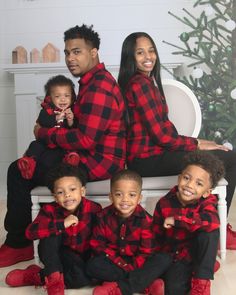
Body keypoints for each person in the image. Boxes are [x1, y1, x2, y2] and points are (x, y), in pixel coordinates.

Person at [0, 24, 126, 268]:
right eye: (67, 52)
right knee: (29, 165)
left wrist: (44, 133)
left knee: (17, 171)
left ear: (94, 52)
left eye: (77, 51)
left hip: (97, 161)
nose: (70, 58)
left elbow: (86, 140)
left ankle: (19, 244)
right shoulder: (89, 82)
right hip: (85, 155)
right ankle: (38, 231)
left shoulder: (99, 86)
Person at [117, 31, 236, 250]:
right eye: (140, 52)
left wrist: (199, 142)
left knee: (221, 158)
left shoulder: (145, 83)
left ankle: (208, 224)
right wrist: (198, 144)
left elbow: (164, 132)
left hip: (153, 156)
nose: (148, 56)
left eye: (151, 50)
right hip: (148, 160)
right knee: (230, 157)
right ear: (130, 58)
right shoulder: (139, 85)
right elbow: (162, 137)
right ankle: (216, 226)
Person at [5, 163, 102, 295]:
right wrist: (61, 224)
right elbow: (30, 233)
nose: (67, 195)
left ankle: (39, 276)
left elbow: (101, 235)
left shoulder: (94, 209)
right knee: (50, 231)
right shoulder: (49, 210)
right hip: (54, 253)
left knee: (82, 279)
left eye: (72, 189)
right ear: (55, 197)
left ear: (82, 191)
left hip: (77, 257)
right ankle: (53, 280)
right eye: (61, 192)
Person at [86, 169, 172, 295]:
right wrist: (124, 266)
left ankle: (118, 288)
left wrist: (133, 266)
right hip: (112, 261)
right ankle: (145, 284)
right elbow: (97, 245)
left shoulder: (146, 220)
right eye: (119, 194)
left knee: (164, 259)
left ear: (139, 198)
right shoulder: (102, 216)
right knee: (92, 265)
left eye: (131, 195)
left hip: (138, 261)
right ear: (111, 196)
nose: (125, 200)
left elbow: (146, 252)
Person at [152, 151, 225, 295]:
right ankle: (202, 268)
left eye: (199, 183)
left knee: (210, 231)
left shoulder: (207, 203)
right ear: (179, 178)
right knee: (175, 290)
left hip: (196, 251)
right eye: (186, 178)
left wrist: (177, 220)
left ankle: (202, 282)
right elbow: (156, 235)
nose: (189, 185)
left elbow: (212, 221)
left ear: (206, 192)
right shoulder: (164, 203)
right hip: (177, 256)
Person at [17, 74, 80, 180]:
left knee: (67, 148)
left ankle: (70, 160)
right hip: (46, 143)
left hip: (61, 144)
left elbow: (74, 128)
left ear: (72, 97)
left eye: (66, 95)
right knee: (35, 145)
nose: (63, 99)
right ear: (50, 98)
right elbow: (42, 121)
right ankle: (29, 162)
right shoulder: (47, 111)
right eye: (57, 96)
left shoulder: (72, 112)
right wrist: (55, 118)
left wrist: (70, 120)